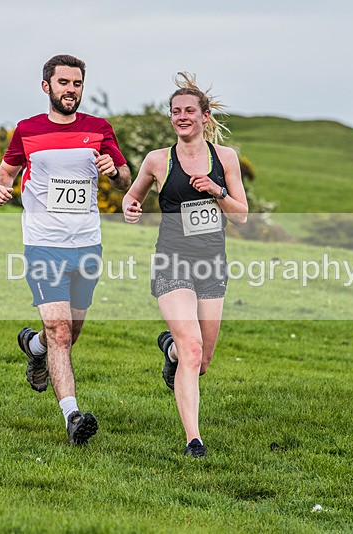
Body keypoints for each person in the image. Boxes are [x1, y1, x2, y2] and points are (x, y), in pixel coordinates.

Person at [0, 54, 131, 445]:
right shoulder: (27, 130)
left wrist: (114, 170)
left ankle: (33, 348)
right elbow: (7, 170)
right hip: (44, 245)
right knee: (60, 331)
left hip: (86, 244)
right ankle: (72, 416)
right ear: (46, 86)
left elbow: (123, 179)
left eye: (77, 84)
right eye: (64, 82)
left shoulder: (100, 129)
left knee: (72, 331)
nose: (71, 90)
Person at [121, 73, 248, 458]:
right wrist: (131, 206)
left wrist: (217, 191)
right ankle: (194, 440)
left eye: (189, 110)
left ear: (205, 116)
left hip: (211, 265)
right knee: (192, 347)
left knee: (201, 360)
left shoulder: (225, 159)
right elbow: (133, 195)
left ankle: (170, 351)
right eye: (175, 111)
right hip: (172, 261)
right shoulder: (158, 160)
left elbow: (241, 216)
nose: (181, 116)